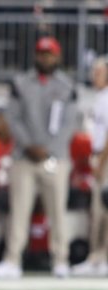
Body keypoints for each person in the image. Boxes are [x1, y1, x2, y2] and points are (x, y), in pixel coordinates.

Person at [0, 37, 79, 279]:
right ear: (35, 56)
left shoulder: (66, 86)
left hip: (55, 158)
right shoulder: (21, 83)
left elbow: (68, 124)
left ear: (58, 57)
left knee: (56, 209)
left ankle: (60, 258)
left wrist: (48, 150)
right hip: (24, 156)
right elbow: (13, 117)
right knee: (19, 209)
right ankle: (12, 259)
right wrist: (29, 145)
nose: (45, 58)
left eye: (50, 54)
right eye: (42, 54)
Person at [72, 57, 108, 277]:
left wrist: (101, 162)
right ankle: (96, 256)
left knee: (104, 211)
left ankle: (102, 257)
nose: (94, 76)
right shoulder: (99, 97)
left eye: (99, 72)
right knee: (97, 211)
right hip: (99, 157)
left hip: (105, 159)